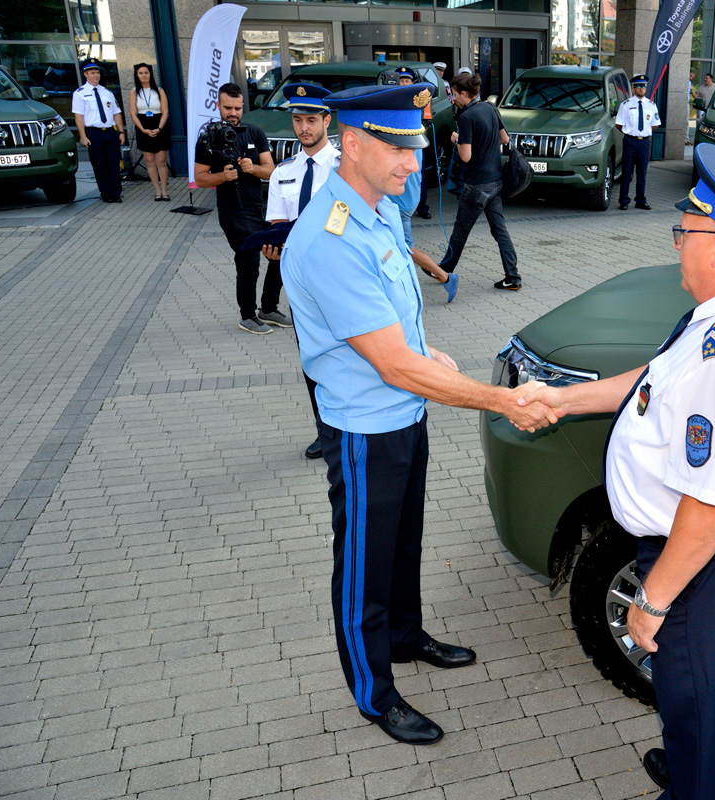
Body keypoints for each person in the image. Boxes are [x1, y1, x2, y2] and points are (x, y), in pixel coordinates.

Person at [279, 83, 561, 746]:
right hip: (364, 427)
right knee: (363, 566)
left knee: (404, 542)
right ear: (354, 144)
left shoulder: (373, 210)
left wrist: (422, 347)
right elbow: (396, 367)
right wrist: (499, 399)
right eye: (399, 147)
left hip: (405, 416)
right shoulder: (328, 238)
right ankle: (375, 693)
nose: (414, 163)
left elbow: (396, 326)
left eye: (416, 145)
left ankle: (405, 638)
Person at [520, 142, 715, 800]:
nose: (676, 243)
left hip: (703, 561)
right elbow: (653, 384)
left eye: (686, 231)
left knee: (699, 697)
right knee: (686, 691)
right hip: (691, 552)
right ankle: (684, 766)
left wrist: (650, 603)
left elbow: (708, 512)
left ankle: (694, 785)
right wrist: (564, 398)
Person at [262, 83, 340, 459]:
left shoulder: (345, 168)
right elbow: (278, 222)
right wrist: (274, 244)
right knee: (312, 358)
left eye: (311, 119)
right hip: (301, 285)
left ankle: (351, 427)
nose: (304, 128)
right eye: (297, 120)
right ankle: (325, 430)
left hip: (340, 278)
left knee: (350, 354)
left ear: (327, 119)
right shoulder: (283, 172)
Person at [194, 83, 282, 335]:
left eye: (237, 108)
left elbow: (271, 170)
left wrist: (252, 168)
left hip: (261, 208)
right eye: (228, 108)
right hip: (233, 211)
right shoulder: (208, 136)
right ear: (218, 106)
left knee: (280, 251)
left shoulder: (254, 132)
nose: (233, 113)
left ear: (244, 106)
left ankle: (268, 308)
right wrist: (222, 176)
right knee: (248, 262)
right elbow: (200, 178)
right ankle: (247, 315)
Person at [437, 71, 521, 291]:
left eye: (454, 94)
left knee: (461, 230)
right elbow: (504, 138)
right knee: (500, 230)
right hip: (495, 181)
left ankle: (443, 271)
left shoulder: (466, 117)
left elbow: (466, 156)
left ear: (465, 94)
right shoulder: (490, 109)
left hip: (476, 185)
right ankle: (513, 277)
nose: (453, 99)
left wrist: (456, 139)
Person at [389, 67, 458, 303]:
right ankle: (442, 279)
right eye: (401, 80)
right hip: (402, 199)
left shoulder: (408, 135)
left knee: (405, 249)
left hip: (401, 200)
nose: (403, 83)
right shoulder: (411, 133)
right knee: (400, 247)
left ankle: (442, 279)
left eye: (407, 80)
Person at [73, 60, 125, 203]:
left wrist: (121, 132)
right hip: (94, 132)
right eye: (92, 73)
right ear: (86, 74)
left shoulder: (106, 92)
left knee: (113, 163)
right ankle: (106, 193)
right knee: (99, 164)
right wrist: (83, 136)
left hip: (109, 131)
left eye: (97, 73)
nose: (96, 76)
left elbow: (116, 113)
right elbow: (78, 116)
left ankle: (116, 193)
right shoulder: (80, 93)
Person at [616, 74, 661, 211]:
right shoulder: (626, 105)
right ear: (633, 88)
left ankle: (640, 200)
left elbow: (655, 124)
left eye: (644, 86)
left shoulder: (651, 105)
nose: (642, 89)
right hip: (630, 141)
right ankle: (624, 200)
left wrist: (643, 132)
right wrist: (630, 133)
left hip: (644, 142)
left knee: (642, 172)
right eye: (639, 86)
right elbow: (619, 124)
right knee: (627, 172)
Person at [128, 63, 171, 201]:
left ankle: (165, 191)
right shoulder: (134, 91)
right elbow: (133, 114)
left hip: (159, 125)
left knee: (161, 160)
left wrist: (159, 128)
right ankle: (157, 191)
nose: (144, 75)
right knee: (149, 160)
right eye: (140, 73)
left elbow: (165, 112)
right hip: (143, 126)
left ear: (150, 74)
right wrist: (143, 130)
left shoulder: (159, 91)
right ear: (137, 75)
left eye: (146, 72)